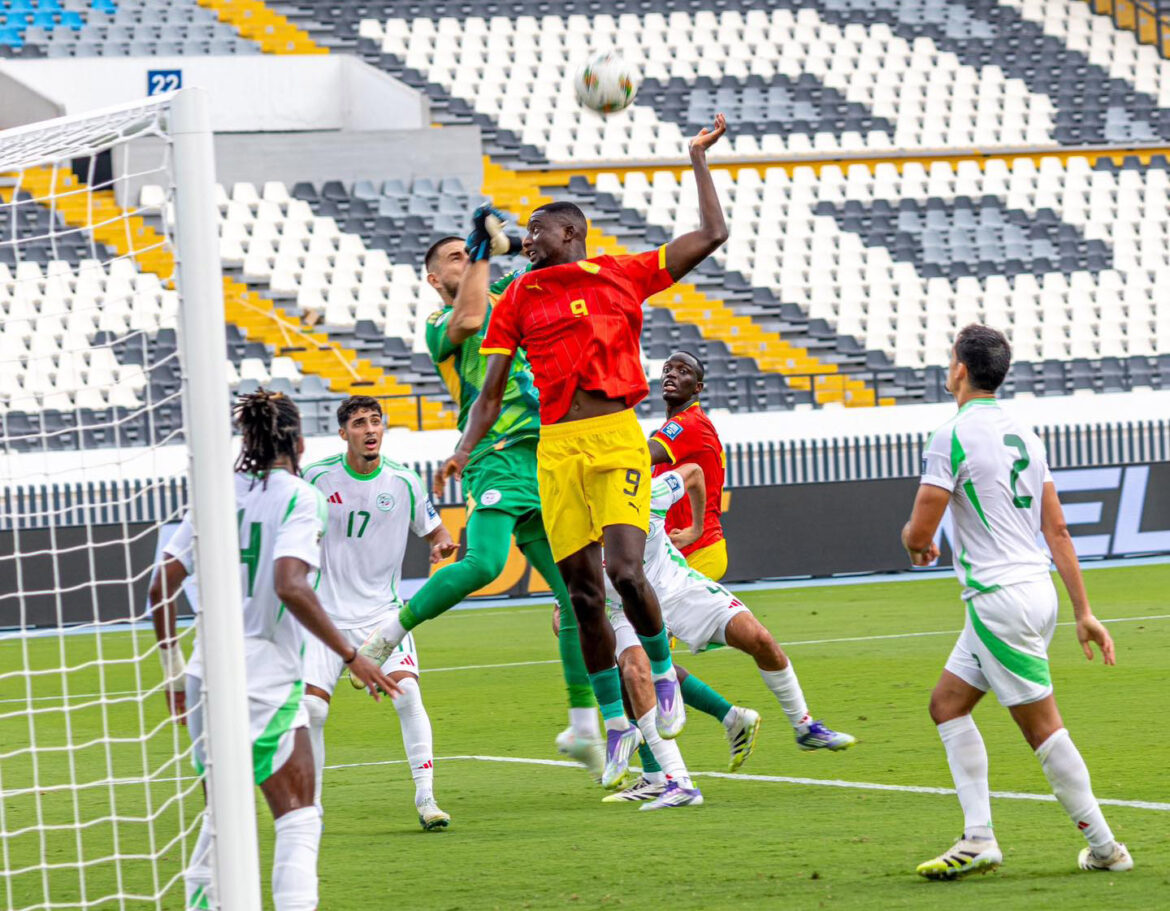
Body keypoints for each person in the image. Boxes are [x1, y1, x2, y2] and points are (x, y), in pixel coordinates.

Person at [419, 114, 731, 787]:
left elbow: (712, 235)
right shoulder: (516, 296)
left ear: (569, 234)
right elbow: (489, 391)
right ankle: (616, 725)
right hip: (556, 449)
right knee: (583, 594)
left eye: (536, 230)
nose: (525, 239)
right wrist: (463, 449)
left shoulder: (620, 273)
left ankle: (665, 676)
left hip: (616, 436)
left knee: (626, 571)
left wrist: (697, 159)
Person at [149, 390, 399, 911]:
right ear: (299, 442)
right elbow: (290, 584)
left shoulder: (216, 493)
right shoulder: (300, 497)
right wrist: (352, 655)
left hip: (203, 674)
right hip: (264, 675)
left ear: (248, 441)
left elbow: (160, 587)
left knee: (221, 820)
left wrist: (174, 677)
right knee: (299, 818)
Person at [901, 324, 1132, 879]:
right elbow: (1058, 531)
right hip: (1035, 592)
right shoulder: (1026, 434)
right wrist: (1083, 612)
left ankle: (1106, 849)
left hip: (998, 600)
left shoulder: (951, 435)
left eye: (950, 359)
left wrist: (915, 544)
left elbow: (919, 532)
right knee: (947, 704)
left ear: (960, 369)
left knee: (1042, 729)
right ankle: (978, 835)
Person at [387, 227, 603, 777]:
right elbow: (467, 318)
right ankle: (391, 629)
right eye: (454, 258)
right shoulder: (440, 322)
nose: (466, 260)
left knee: (578, 598)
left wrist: (511, 241)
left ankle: (583, 727)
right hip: (494, 450)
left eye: (469, 253)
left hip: (541, 453)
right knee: (484, 563)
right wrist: (484, 254)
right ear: (434, 278)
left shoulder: (505, 292)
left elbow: (552, 268)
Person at [603, 463, 854, 805]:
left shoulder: (647, 494)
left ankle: (805, 726)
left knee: (758, 638)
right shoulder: (574, 529)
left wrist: (696, 529)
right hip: (624, 609)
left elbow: (694, 472)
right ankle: (676, 782)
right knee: (634, 673)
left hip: (680, 590)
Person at [300, 396, 457, 830]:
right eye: (358, 423)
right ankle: (310, 808)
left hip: (382, 616)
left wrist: (442, 545)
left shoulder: (404, 482)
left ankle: (427, 799)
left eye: (375, 421)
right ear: (342, 433)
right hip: (326, 618)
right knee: (312, 710)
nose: (370, 429)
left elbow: (435, 530)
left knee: (408, 695)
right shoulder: (314, 477)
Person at [649, 351, 727, 579]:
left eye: (683, 371)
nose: (671, 374)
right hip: (681, 551)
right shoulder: (680, 427)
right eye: (667, 369)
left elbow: (638, 456)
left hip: (699, 551)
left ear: (697, 388)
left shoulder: (689, 423)